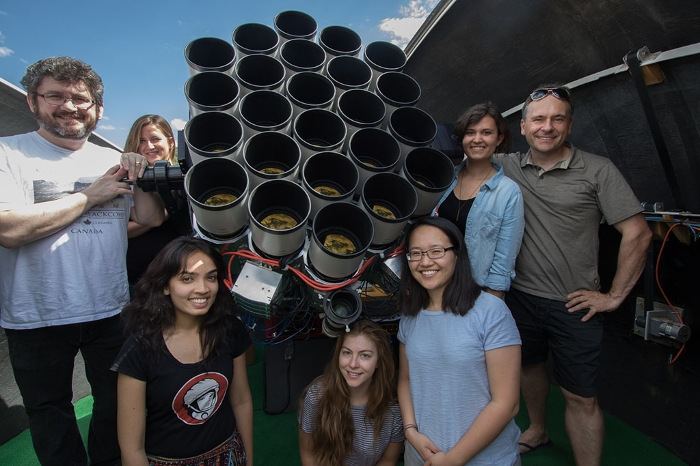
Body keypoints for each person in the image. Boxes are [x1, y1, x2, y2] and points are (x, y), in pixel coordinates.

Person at [0, 56, 165, 465]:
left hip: (109, 311)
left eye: (80, 99)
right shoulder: (9, 154)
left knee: (113, 407)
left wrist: (137, 175)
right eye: (55, 95)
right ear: (33, 102)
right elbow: (8, 229)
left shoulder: (108, 160)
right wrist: (89, 197)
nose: (70, 106)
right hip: (36, 316)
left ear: (98, 109)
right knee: (50, 413)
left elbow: (149, 219)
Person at [492, 84, 652, 465]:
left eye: (557, 118)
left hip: (575, 303)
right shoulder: (505, 165)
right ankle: (537, 429)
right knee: (529, 367)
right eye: (539, 119)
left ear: (570, 125)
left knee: (581, 395)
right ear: (524, 125)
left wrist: (613, 296)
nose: (547, 127)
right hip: (521, 298)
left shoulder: (597, 170)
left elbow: (639, 234)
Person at [113, 237, 253, 465]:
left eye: (211, 277)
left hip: (227, 455)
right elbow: (132, 447)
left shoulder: (230, 331)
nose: (203, 289)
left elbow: (241, 401)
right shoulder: (139, 349)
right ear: (165, 286)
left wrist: (247, 459)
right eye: (187, 278)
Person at [397, 216, 521, 466]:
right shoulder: (410, 316)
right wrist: (410, 432)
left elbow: (506, 403)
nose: (425, 261)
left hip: (485, 460)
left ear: (457, 254)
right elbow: (405, 379)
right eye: (416, 253)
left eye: (436, 251)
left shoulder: (491, 311)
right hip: (422, 454)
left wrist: (453, 459)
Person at [432, 103, 524, 298]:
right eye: (470, 132)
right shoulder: (445, 179)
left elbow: (504, 260)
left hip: (473, 293)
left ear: (499, 138)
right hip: (432, 286)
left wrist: (491, 306)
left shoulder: (508, 192)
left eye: (486, 133)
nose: (477, 139)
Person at [299, 319, 404, 466]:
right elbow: (308, 454)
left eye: (365, 355)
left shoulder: (394, 408)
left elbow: (387, 461)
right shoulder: (316, 396)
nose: (353, 364)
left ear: (379, 362)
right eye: (347, 353)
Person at [124, 115, 192, 292]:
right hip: (137, 280)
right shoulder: (127, 181)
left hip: (179, 279)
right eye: (142, 141)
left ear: (170, 142)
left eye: (155, 139)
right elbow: (119, 230)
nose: (149, 146)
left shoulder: (187, 180)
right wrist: (162, 213)